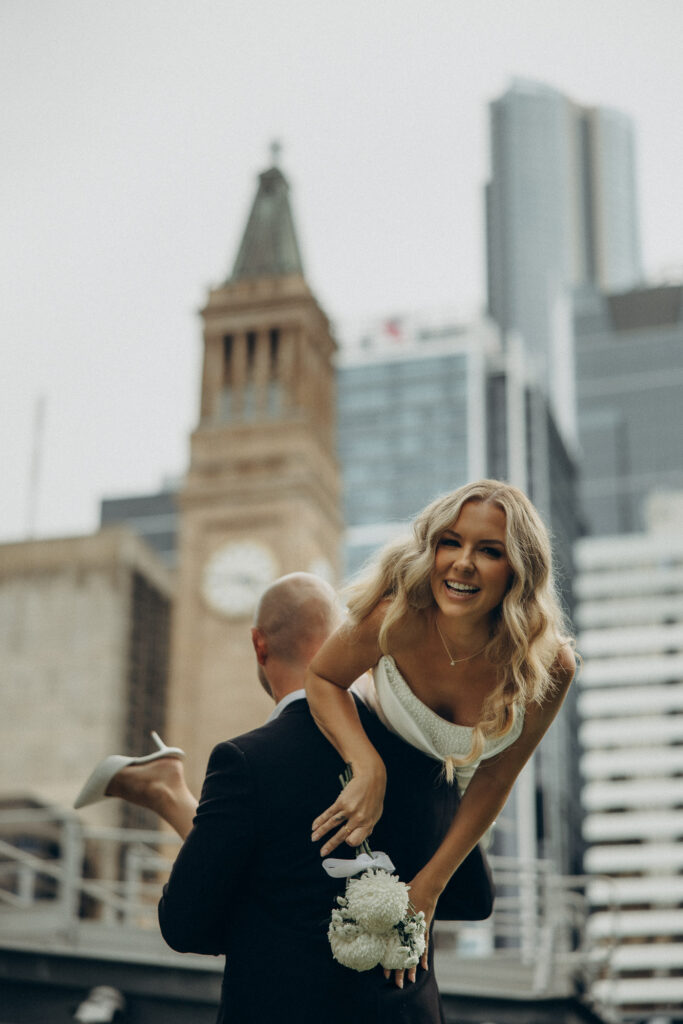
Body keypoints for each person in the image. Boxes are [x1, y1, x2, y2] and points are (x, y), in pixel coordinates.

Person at [75, 572, 494, 1024]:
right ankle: (166, 790)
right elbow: (473, 897)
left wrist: (276, 924)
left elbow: (184, 926)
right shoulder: (422, 753)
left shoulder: (245, 762)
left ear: (260, 645)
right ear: (345, 641)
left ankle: (167, 792)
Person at [306, 479, 576, 958]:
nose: (463, 562)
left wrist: (429, 888)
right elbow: (323, 679)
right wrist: (366, 764)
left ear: (518, 568)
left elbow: (496, 778)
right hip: (365, 776)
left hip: (450, 809)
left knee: (445, 921)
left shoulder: (549, 666)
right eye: (451, 542)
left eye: (489, 550)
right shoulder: (393, 619)